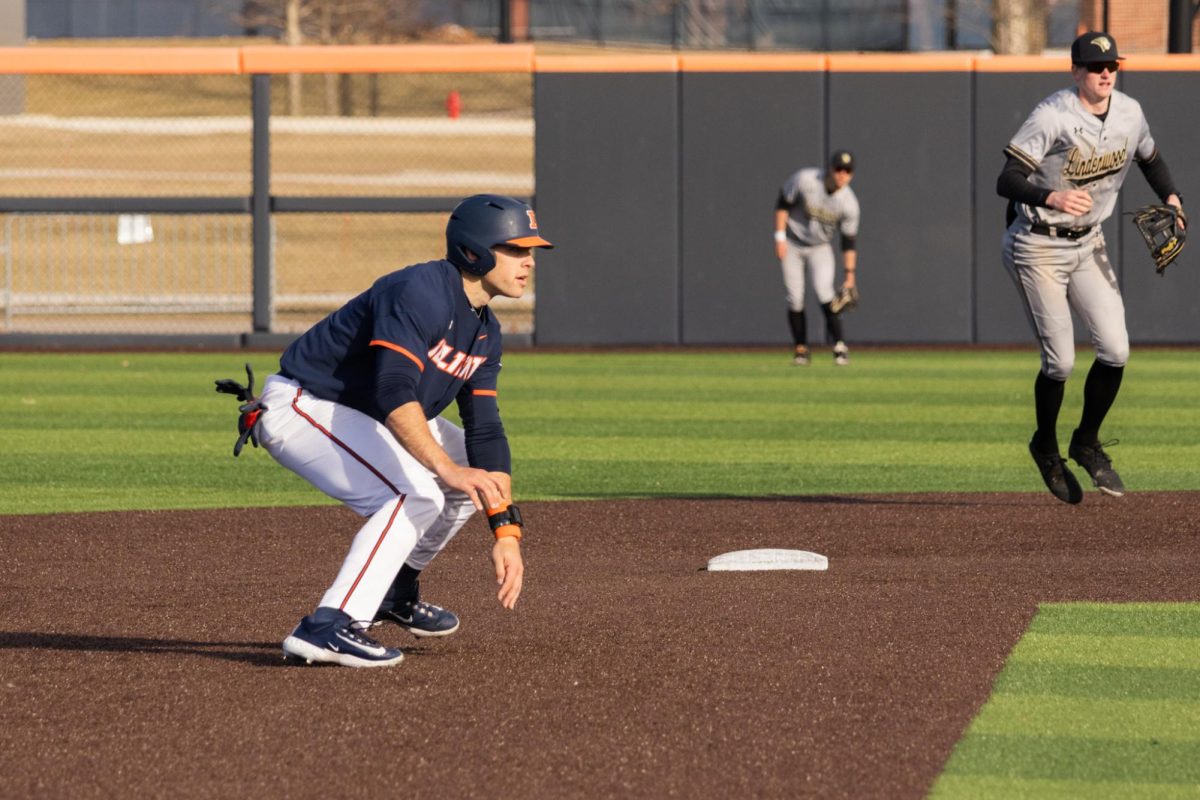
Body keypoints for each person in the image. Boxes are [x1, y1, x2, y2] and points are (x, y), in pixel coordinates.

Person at [250, 194, 551, 667]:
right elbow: (393, 388)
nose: (529, 261)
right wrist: (445, 469)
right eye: (515, 249)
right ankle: (328, 625)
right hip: (307, 404)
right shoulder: (420, 290)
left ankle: (393, 591)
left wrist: (505, 530)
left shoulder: (486, 332)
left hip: (365, 413)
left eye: (531, 251)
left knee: (468, 476)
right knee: (416, 496)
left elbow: (486, 430)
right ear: (475, 252)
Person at [997, 32, 1183, 504]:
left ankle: (1085, 441)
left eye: (1111, 66)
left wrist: (1172, 198)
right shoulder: (1052, 115)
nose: (1105, 73)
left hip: (1088, 243)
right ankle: (1045, 445)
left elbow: (1150, 158)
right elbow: (1007, 179)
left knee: (1116, 350)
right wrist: (1051, 195)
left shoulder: (1129, 112)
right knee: (1059, 361)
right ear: (1075, 70)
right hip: (1037, 244)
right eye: (1095, 66)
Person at [773, 150, 860, 366]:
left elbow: (848, 242)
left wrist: (850, 275)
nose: (842, 174)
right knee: (795, 297)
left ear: (851, 175)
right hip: (793, 243)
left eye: (847, 171)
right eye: (838, 169)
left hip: (820, 247)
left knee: (825, 293)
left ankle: (839, 346)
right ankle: (801, 349)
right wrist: (780, 237)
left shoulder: (849, 203)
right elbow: (783, 203)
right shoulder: (806, 180)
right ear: (830, 168)